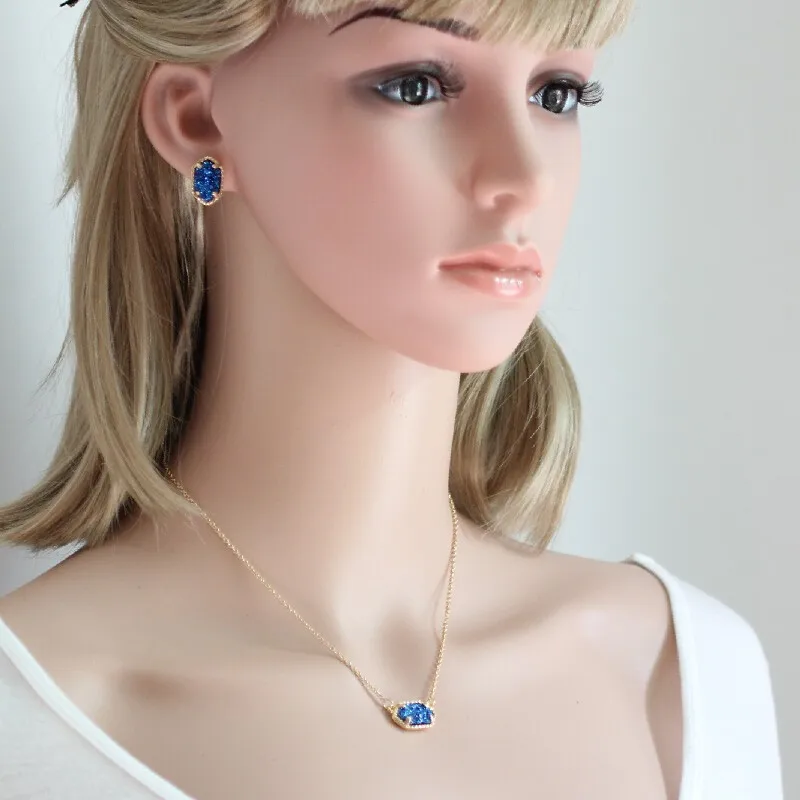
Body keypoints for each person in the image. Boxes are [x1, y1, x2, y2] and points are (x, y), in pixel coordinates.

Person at [0, 0, 784, 797]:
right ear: (196, 120)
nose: (522, 178)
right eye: (416, 86)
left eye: (556, 94)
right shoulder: (29, 720)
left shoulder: (681, 672)